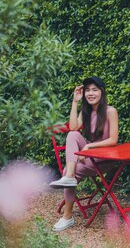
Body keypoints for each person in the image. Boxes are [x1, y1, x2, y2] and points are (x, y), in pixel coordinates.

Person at [49, 76, 119, 231]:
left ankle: (69, 177)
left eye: (95, 89)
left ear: (102, 92)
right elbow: (73, 128)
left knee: (69, 171)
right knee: (72, 137)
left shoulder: (110, 111)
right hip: (90, 159)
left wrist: (89, 148)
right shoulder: (85, 111)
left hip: (105, 160)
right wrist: (75, 102)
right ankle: (67, 217)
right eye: (87, 90)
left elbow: (113, 140)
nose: (90, 93)